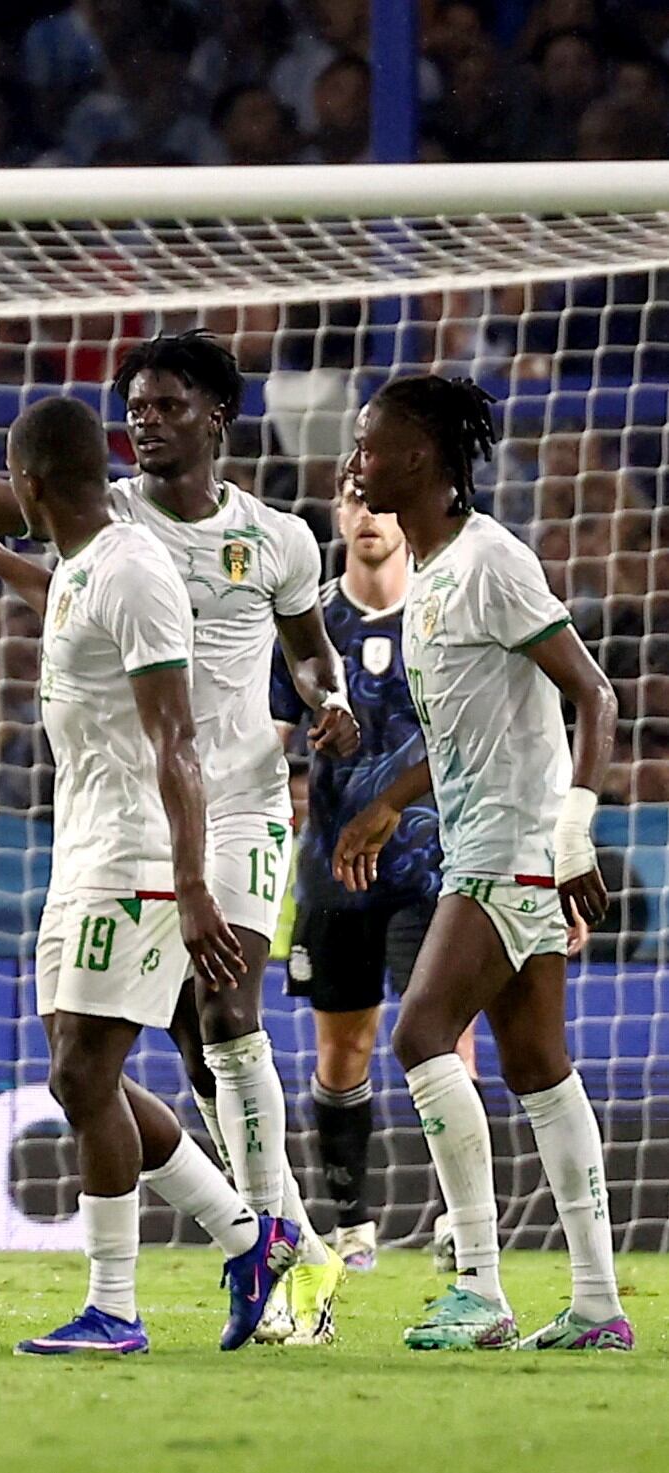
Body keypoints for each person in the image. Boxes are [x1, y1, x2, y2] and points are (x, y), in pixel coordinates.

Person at [0, 329, 355, 1344]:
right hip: (138, 799)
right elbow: (24, 558)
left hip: (227, 801)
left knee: (226, 1020)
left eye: (164, 405)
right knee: (182, 1043)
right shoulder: (105, 517)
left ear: (215, 415)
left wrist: (328, 705)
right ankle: (275, 1245)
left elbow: (311, 657)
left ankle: (272, 1252)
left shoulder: (278, 538)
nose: (143, 421)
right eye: (133, 407)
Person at [333, 375, 632, 1353]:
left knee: (420, 1035)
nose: (354, 463)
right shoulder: (431, 574)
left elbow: (594, 697)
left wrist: (573, 834)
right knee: (540, 1070)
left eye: (370, 446)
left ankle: (478, 1283)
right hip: (489, 842)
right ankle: (594, 1301)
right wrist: (386, 801)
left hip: (508, 852)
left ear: (420, 457)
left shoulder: (492, 561)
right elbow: (470, 728)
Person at [268, 473, 447, 1274]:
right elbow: (269, 739)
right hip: (332, 871)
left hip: (429, 863)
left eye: (380, 502)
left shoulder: (441, 611)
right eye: (354, 501)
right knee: (344, 1050)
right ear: (337, 514)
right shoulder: (309, 625)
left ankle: (455, 1215)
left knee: (441, 1038)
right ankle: (353, 1224)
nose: (369, 516)